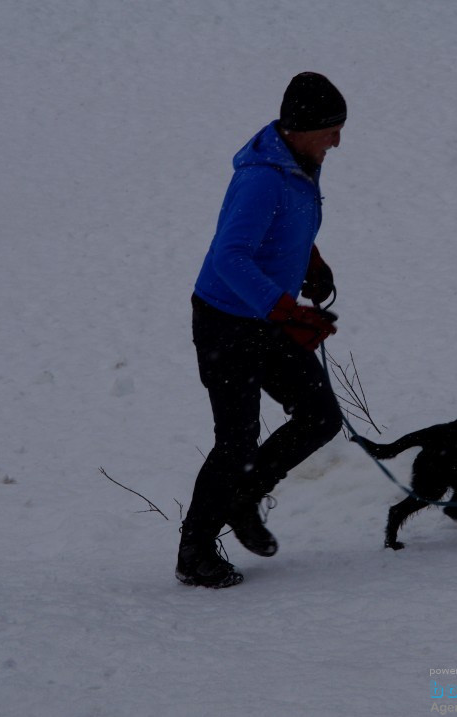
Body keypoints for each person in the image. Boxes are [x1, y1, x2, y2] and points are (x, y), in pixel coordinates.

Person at [176, 72, 347, 588]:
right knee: (236, 440)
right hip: (228, 321)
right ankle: (195, 552)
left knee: (319, 416)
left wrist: (311, 262)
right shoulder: (261, 177)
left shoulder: (301, 164)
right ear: (299, 128)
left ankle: (243, 497)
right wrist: (288, 312)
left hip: (267, 316)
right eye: (330, 130)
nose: (337, 141)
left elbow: (288, 225)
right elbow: (229, 256)